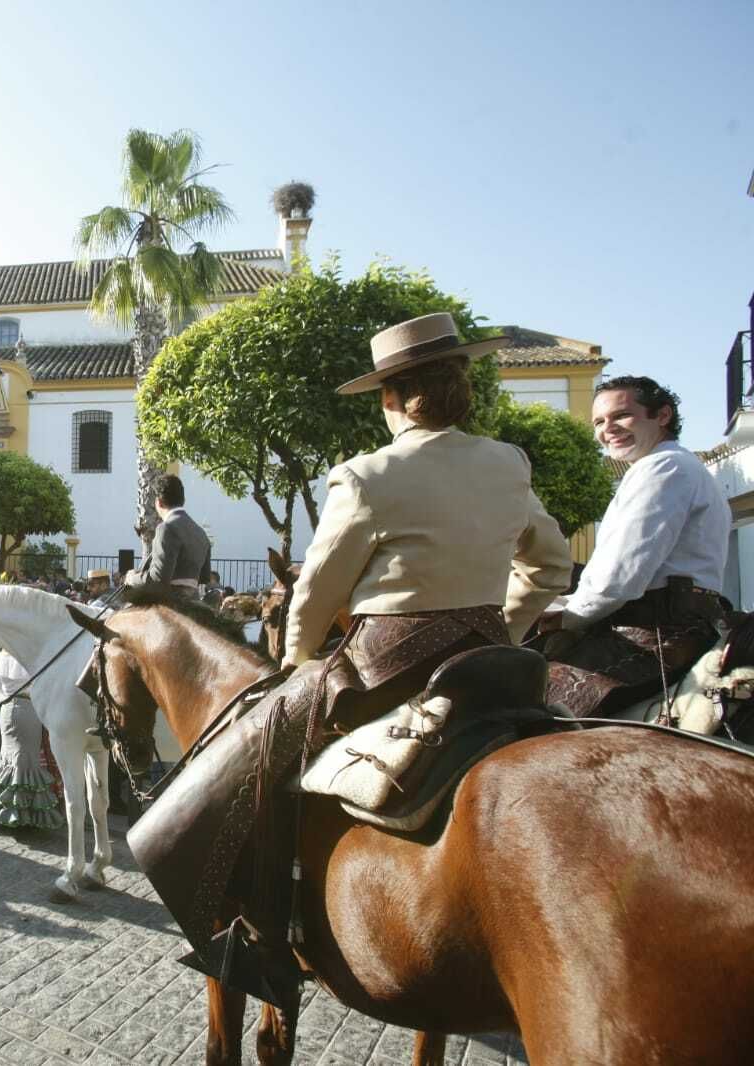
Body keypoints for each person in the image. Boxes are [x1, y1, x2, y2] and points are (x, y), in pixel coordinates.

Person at [132, 312, 573, 997]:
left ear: (393, 398)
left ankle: (264, 938)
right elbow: (549, 567)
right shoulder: (508, 463)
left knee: (255, 763)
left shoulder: (368, 475)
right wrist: (502, 630)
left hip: (383, 666)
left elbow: (316, 589)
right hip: (491, 662)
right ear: (460, 387)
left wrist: (298, 660)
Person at [540, 376, 733, 718]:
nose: (607, 429)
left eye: (621, 416)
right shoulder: (672, 466)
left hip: (657, 629)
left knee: (530, 711)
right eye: (599, 422)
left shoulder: (664, 466)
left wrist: (568, 617)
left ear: (662, 416)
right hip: (673, 619)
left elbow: (622, 573)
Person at [0, 651, 64, 830]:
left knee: (14, 759)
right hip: (26, 709)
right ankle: (23, 814)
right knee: (25, 761)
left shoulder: (2, 656)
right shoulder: (25, 655)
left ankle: (11, 810)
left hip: (8, 709)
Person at [125, 475, 210, 601]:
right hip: (194, 600)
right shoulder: (201, 533)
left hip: (169, 603)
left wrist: (132, 578)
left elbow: (157, 580)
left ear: (158, 502)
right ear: (183, 500)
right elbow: (204, 577)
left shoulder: (166, 528)